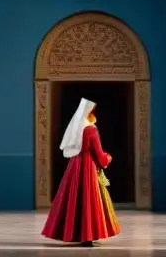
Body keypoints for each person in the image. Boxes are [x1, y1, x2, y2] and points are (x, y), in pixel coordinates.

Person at [42, 98, 121, 245]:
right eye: (92, 111)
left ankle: (78, 234)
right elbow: (99, 155)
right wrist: (107, 158)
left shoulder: (77, 129)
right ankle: (88, 235)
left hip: (74, 166)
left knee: (75, 200)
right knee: (88, 200)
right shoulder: (91, 130)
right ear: (89, 112)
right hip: (88, 168)